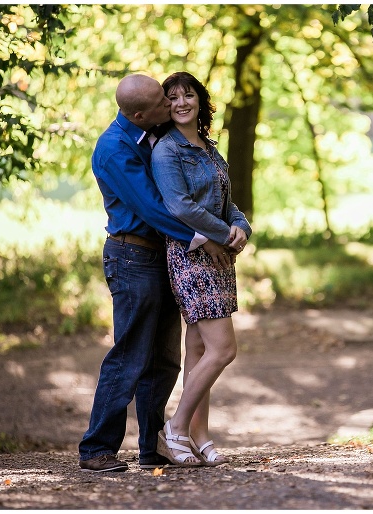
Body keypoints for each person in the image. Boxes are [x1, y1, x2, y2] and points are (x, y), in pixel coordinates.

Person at [78, 74, 233, 472]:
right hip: (132, 255)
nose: (172, 105)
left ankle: (153, 447)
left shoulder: (151, 134)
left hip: (163, 253)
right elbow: (154, 207)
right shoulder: (115, 149)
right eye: (165, 102)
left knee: (165, 359)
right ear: (142, 113)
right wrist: (204, 238)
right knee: (130, 353)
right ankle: (97, 449)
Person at [150, 71, 251, 467]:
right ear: (164, 105)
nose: (180, 103)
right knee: (224, 349)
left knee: (198, 350)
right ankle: (174, 429)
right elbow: (180, 206)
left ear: (199, 100)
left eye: (188, 95)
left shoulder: (209, 148)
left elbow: (230, 203)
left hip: (220, 254)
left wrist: (241, 226)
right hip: (192, 255)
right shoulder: (167, 151)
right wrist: (223, 233)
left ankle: (200, 436)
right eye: (172, 97)